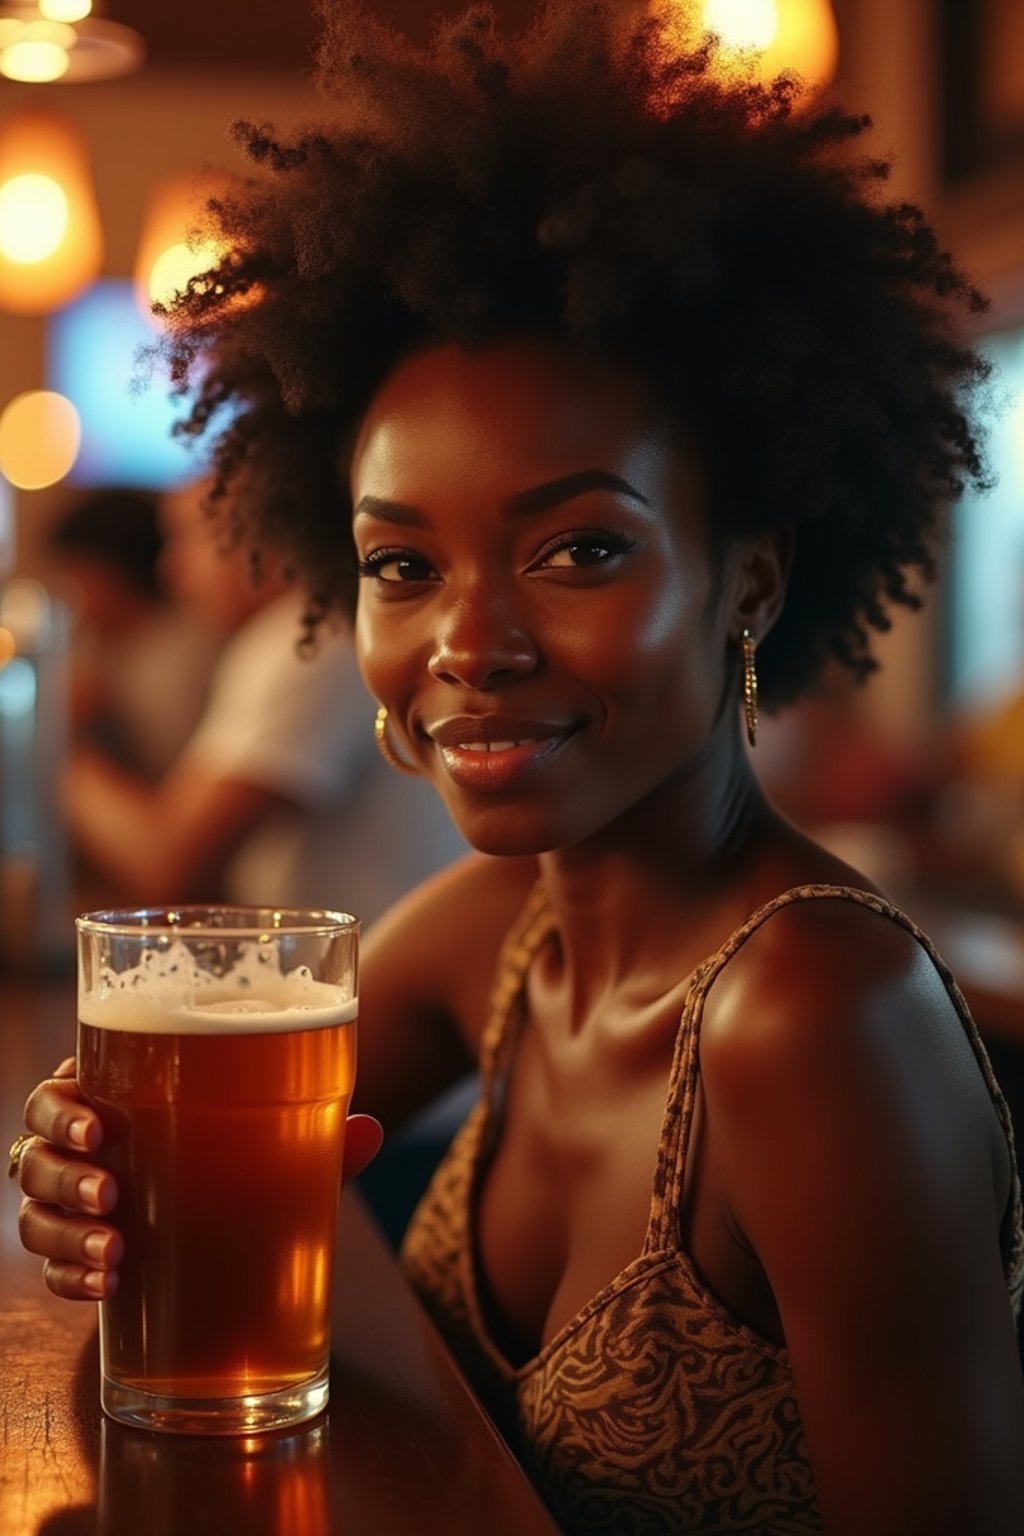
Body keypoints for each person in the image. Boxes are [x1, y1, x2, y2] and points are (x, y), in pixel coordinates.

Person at [12, 4, 1024, 1532]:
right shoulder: (505, 931)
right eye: (400, 565)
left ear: (749, 582)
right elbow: (194, 1165)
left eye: (582, 549)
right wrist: (90, 1165)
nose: (465, 643)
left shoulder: (815, 1015)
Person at [59, 477, 466, 917]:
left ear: (267, 537)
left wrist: (60, 743)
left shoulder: (304, 642)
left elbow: (169, 866)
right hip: (350, 960)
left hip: (367, 972)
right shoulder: (309, 633)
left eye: (190, 538)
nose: (170, 570)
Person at [45, 485, 221, 779]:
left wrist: (60, 741)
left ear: (112, 574)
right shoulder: (107, 642)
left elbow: (167, 793)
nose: (68, 594)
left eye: (76, 576)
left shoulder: (182, 657)